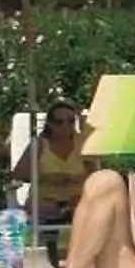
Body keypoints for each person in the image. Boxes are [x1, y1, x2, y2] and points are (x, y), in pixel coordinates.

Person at [11, 100, 91, 242]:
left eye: (71, 121)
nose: (66, 126)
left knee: (88, 209)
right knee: (46, 210)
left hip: (76, 199)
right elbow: (19, 174)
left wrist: (77, 178)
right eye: (59, 122)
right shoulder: (39, 145)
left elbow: (96, 174)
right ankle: (49, 251)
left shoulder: (83, 144)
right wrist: (47, 178)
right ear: (50, 124)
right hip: (46, 200)